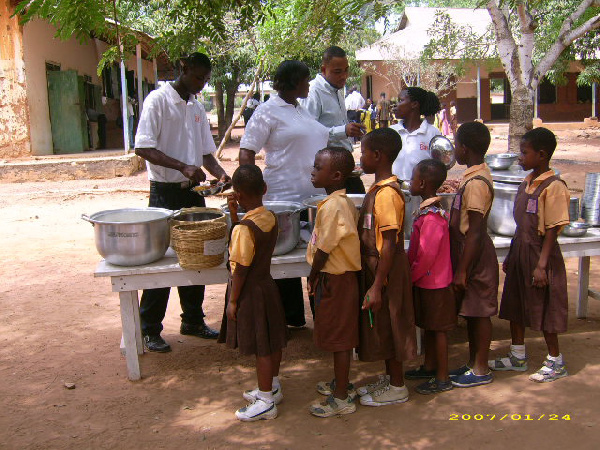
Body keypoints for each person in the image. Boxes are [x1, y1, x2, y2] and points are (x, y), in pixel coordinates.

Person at [134, 52, 231, 352]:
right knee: (161, 261)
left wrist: (222, 175)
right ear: (183, 68)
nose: (201, 84)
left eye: (205, 79)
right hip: (164, 191)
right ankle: (149, 328)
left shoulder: (196, 107)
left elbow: (204, 153)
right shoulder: (158, 101)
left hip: (192, 192)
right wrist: (182, 167)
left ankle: (192, 319)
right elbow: (143, 147)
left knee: (196, 255)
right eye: (197, 77)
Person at [239, 60, 329, 327]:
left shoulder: (300, 109)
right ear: (292, 82)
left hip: (313, 198)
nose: (309, 84)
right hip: (283, 197)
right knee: (283, 260)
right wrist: (252, 191)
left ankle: (322, 314)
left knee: (318, 255)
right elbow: (247, 152)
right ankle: (291, 319)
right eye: (305, 79)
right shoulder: (268, 112)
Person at [489, 128, 570, 383]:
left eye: (525, 153)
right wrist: (513, 255)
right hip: (521, 249)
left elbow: (552, 230)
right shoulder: (527, 181)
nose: (520, 159)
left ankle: (556, 361)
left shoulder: (554, 186)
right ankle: (517, 355)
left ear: (542, 154)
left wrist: (541, 266)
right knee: (515, 303)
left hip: (539, 253)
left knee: (545, 306)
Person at [353, 128, 417, 406]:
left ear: (377, 156)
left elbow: (390, 242)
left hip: (387, 271)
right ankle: (390, 378)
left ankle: (398, 385)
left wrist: (378, 285)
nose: (360, 156)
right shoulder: (377, 189)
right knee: (383, 324)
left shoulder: (388, 194)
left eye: (363, 152)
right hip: (377, 267)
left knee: (393, 323)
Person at [219, 165, 287, 421]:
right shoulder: (269, 217)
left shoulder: (243, 230)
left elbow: (240, 269)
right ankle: (273, 385)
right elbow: (249, 245)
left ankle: (266, 401)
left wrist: (233, 301)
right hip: (267, 286)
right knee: (271, 339)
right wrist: (236, 216)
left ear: (236, 193)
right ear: (264, 189)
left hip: (250, 292)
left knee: (262, 347)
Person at [307, 148, 361, 417]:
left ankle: (341, 397)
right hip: (339, 278)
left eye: (318, 167)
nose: (313, 171)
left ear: (336, 175)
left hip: (336, 279)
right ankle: (341, 383)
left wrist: (313, 275)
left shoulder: (334, 206)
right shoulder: (341, 202)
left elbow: (324, 249)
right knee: (339, 334)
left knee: (340, 339)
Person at [448, 121, 498, 388]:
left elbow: (476, 231)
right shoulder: (470, 176)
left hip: (475, 254)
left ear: (464, 149)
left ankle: (481, 368)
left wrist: (463, 269)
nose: (454, 149)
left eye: (456, 145)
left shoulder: (477, 183)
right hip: (467, 251)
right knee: (470, 311)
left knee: (480, 312)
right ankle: (471, 363)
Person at [406, 159, 456, 395]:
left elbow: (425, 255)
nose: (410, 182)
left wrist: (410, 276)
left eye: (413, 178)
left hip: (435, 284)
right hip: (427, 282)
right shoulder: (427, 213)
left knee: (438, 330)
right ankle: (429, 366)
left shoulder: (433, 218)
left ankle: (443, 377)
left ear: (422, 183)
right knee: (429, 327)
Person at [301, 46, 366, 194]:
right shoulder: (313, 91)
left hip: (344, 165)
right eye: (337, 72)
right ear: (324, 70)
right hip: (329, 172)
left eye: (346, 70)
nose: (343, 76)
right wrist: (343, 131)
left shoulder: (337, 89)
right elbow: (309, 132)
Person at [390, 87, 441, 183]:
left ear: (414, 104)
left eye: (400, 100)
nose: (396, 105)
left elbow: (439, 167)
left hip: (421, 194)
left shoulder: (433, 133)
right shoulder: (392, 132)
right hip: (394, 191)